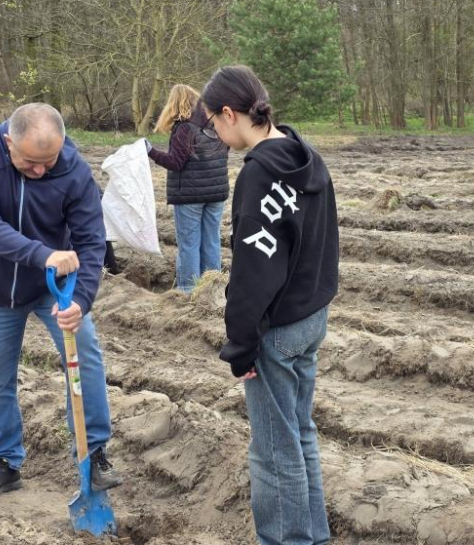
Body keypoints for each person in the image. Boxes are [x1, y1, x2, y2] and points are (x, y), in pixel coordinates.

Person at [202, 65, 339, 545]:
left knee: (274, 450)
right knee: (299, 435)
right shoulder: (307, 159)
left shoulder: (259, 177)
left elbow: (252, 273)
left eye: (213, 124)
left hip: (277, 330)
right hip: (311, 316)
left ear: (228, 113)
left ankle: (287, 539)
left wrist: (240, 344)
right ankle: (313, 537)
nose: (215, 136)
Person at [0, 103, 122, 496]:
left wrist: (81, 298)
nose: (41, 171)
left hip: (53, 285)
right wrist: (41, 253)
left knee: (84, 353)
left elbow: (91, 240)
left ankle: (93, 452)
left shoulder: (74, 169)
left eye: (49, 161)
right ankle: (5, 462)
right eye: (30, 161)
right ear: (8, 141)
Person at [145, 84, 229, 293]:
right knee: (211, 241)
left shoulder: (184, 128)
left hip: (190, 196)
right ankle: (213, 289)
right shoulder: (217, 125)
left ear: (174, 104)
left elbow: (175, 162)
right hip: (217, 193)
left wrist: (151, 151)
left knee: (189, 244)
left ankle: (188, 291)